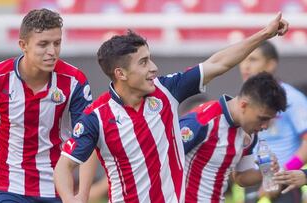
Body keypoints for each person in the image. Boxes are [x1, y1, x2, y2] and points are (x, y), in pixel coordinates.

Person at [53, 13, 288, 203]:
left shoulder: (166, 90)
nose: (153, 68)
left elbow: (218, 62)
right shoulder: (96, 117)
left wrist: (265, 34)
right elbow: (65, 165)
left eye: (150, 58)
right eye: (144, 62)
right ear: (120, 73)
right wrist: (72, 197)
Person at [0, 8, 95, 203]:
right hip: (7, 183)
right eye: (43, 44)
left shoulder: (74, 81)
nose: (52, 51)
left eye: (57, 43)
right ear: (23, 45)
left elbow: (88, 136)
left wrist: (82, 194)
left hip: (57, 185)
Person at [181, 72, 286, 202]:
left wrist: (265, 171)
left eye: (269, 120)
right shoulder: (202, 121)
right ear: (244, 105)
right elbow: (160, 162)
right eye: (262, 118)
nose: (265, 126)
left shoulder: (249, 134)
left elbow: (241, 177)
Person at [240, 41, 307, 203]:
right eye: (243, 59)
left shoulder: (292, 98)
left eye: (253, 59)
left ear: (270, 64)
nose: (245, 66)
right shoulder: (243, 100)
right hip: (253, 181)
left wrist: (283, 174)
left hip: (285, 183)